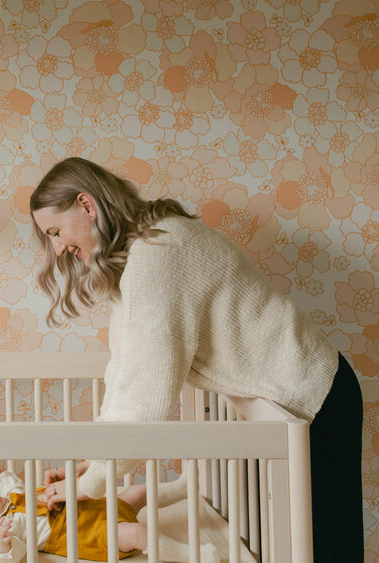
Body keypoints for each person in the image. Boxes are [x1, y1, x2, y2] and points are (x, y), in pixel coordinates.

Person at [29, 157, 363, 562]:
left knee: (327, 545)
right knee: (289, 546)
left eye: (55, 231)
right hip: (277, 407)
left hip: (312, 394)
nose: (58, 247)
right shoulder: (142, 254)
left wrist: (91, 484)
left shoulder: (158, 252)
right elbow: (124, 374)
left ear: (86, 205)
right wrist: (90, 464)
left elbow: (145, 401)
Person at [0, 469, 220, 562]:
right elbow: (17, 553)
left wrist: (0, 474)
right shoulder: (9, 526)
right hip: (88, 535)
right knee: (136, 534)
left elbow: (7, 480)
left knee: (135, 493)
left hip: (93, 506)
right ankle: (194, 555)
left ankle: (183, 487)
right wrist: (4, 545)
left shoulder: (10, 495)